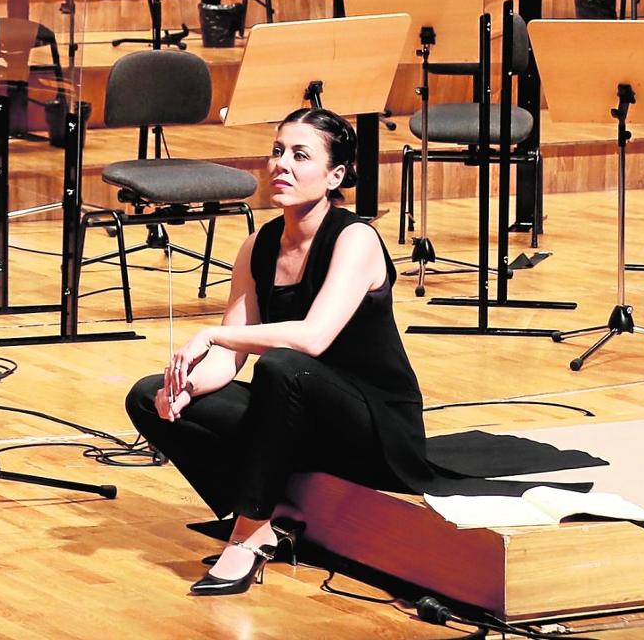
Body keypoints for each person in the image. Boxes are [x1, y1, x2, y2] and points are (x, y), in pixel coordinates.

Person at [125, 107, 431, 596]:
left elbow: (312, 339)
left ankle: (249, 532)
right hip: (296, 412)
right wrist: (186, 388)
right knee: (148, 395)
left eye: (300, 156)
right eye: (277, 151)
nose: (281, 165)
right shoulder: (258, 246)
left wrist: (212, 335)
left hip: (374, 426)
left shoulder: (356, 239)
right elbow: (230, 356)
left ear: (335, 176)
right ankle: (272, 518)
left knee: (284, 364)